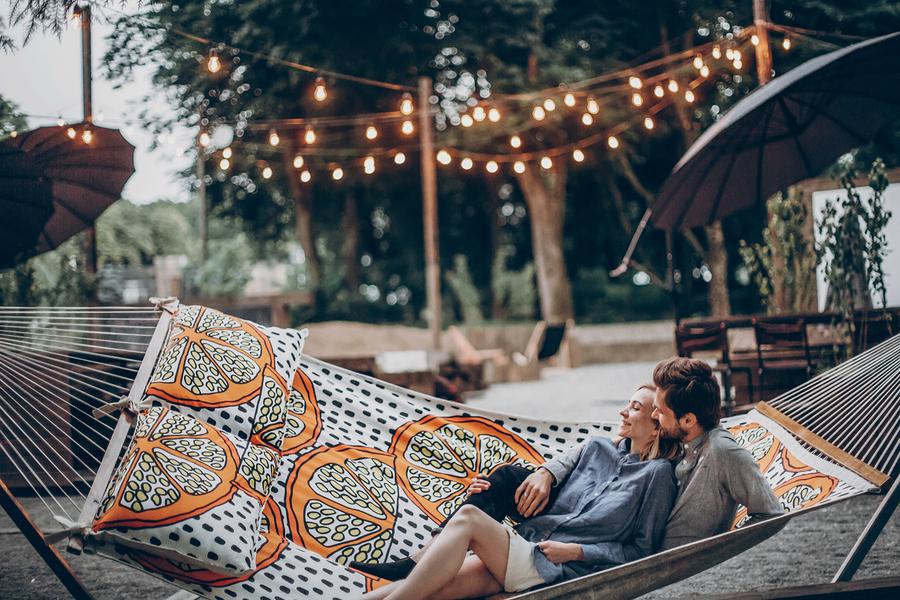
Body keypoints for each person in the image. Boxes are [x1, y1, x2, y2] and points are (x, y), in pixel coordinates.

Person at [357, 385, 679, 599]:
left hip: (554, 567)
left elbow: (643, 550)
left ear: (656, 426)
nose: (623, 412)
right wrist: (534, 476)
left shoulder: (657, 475)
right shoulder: (595, 448)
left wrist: (578, 552)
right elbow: (542, 484)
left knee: (469, 518)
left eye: (635, 408)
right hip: (524, 549)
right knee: (424, 590)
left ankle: (417, 559)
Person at [649, 357, 783, 549]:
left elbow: (771, 514)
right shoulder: (680, 441)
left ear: (688, 420)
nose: (654, 415)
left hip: (665, 561)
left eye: (660, 411)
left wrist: (721, 548)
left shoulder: (723, 452)